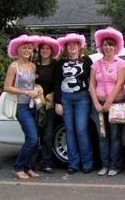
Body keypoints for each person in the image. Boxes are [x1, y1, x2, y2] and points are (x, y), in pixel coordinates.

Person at [89, 27, 125, 176]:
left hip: (115, 104)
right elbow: (92, 85)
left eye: (111, 44)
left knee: (116, 136)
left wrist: (108, 102)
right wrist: (97, 104)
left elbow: (119, 84)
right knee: (102, 136)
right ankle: (104, 165)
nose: (108, 47)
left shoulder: (121, 63)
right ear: (101, 47)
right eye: (105, 44)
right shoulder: (96, 64)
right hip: (98, 105)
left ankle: (115, 166)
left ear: (116, 47)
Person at [54, 33, 94, 174]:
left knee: (81, 130)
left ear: (79, 46)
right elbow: (57, 84)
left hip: (82, 98)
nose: (72, 46)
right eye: (69, 44)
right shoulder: (60, 63)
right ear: (66, 47)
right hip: (66, 99)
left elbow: (92, 81)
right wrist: (58, 102)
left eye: (74, 44)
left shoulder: (87, 61)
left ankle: (87, 163)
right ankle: (73, 164)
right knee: (69, 131)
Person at [4, 35, 42, 179]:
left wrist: (38, 89)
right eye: (24, 48)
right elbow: (7, 87)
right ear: (18, 50)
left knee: (33, 138)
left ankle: (29, 167)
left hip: (33, 106)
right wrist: (26, 92)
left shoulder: (32, 66)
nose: (27, 50)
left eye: (29, 48)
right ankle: (18, 167)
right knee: (32, 138)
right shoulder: (14, 66)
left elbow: (33, 85)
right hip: (21, 107)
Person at [33, 36, 61, 173]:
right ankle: (34, 161)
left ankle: (47, 163)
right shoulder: (34, 65)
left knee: (48, 135)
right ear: (39, 50)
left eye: (47, 48)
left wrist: (54, 95)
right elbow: (29, 82)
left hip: (49, 104)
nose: (45, 51)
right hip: (35, 103)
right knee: (35, 134)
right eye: (42, 48)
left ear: (52, 51)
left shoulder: (56, 65)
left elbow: (58, 83)